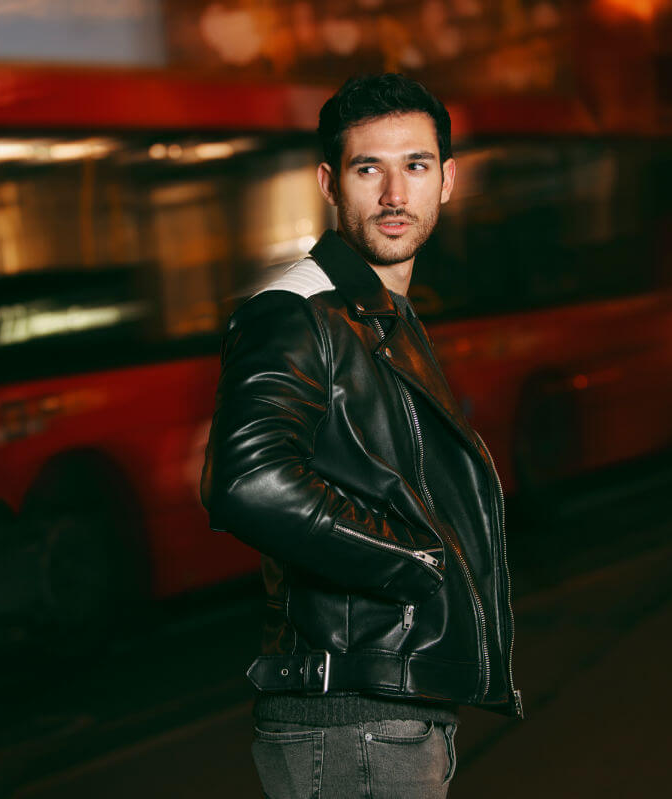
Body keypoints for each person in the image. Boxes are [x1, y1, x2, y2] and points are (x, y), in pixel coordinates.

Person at [202, 73, 521, 799]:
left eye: (415, 165)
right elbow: (246, 481)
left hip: (385, 716)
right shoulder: (297, 310)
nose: (393, 194)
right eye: (367, 168)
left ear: (446, 181)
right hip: (350, 719)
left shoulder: (381, 313)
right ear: (329, 182)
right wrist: (415, 561)